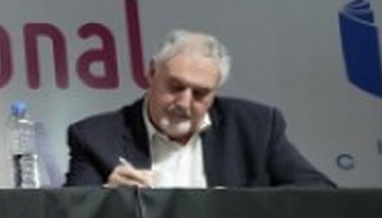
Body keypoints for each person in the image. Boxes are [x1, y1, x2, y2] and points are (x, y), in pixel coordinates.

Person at [64, 29, 334, 188]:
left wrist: (247, 207)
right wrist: (106, 200)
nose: (183, 103)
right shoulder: (96, 137)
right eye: (175, 86)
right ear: (150, 72)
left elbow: (319, 194)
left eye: (200, 93)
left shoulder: (257, 128)